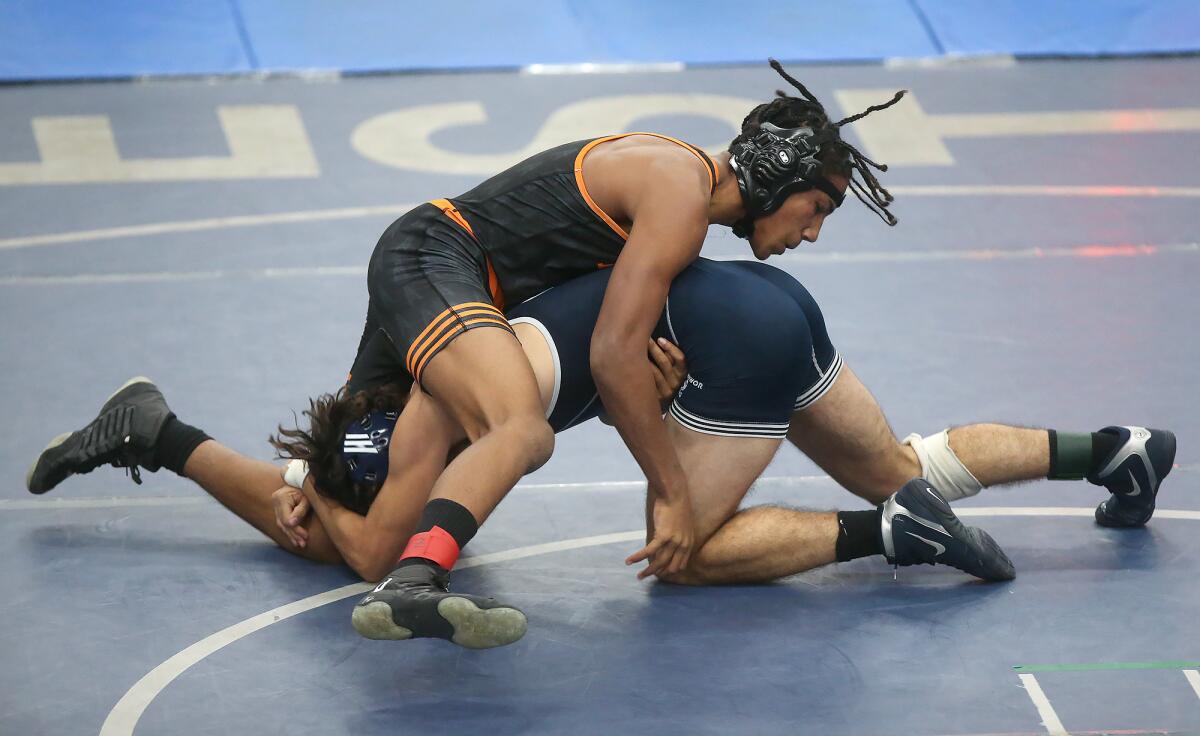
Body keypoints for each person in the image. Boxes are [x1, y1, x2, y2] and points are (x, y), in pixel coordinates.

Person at [29, 58, 916, 644]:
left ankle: (159, 433)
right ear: (779, 179)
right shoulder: (682, 190)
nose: (813, 233)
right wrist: (676, 496)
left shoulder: (683, 207)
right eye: (820, 209)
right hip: (435, 262)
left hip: (459, 291)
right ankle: (418, 583)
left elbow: (618, 336)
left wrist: (656, 364)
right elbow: (608, 356)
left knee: (361, 534)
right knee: (522, 431)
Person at [26, 258, 1175, 649]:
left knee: (671, 547)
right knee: (912, 455)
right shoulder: (465, 320)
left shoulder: (437, 372)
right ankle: (1111, 447)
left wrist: (670, 477)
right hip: (769, 306)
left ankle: (161, 434)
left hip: (706, 339)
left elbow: (611, 400)